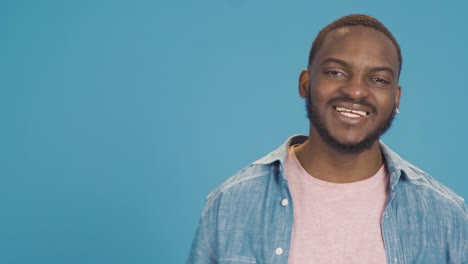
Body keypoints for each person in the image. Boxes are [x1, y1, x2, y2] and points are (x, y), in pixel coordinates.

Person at [187, 14, 468, 263]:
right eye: (336, 72)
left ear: (396, 98)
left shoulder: (444, 215)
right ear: (305, 84)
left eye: (379, 79)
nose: (356, 91)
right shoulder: (232, 204)